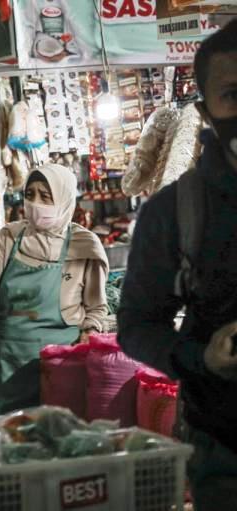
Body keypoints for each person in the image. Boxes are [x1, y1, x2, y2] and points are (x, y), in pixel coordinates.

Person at [117, 21, 237, 509]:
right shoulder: (176, 212)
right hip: (226, 448)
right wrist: (201, 357)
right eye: (234, 95)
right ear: (207, 111)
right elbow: (137, 326)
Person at [0, 164, 108, 416]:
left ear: (64, 199)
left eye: (46, 196)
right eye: (30, 194)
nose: (35, 203)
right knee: (10, 437)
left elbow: (96, 308)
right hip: (8, 363)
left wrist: (89, 332)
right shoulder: (9, 237)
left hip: (61, 366)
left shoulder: (84, 245)